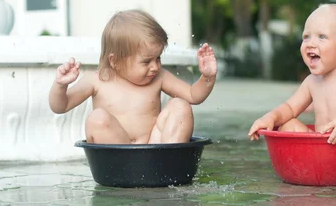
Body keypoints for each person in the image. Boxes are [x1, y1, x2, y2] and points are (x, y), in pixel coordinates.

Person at [49, 9, 217, 145]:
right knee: (97, 118)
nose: (155, 66)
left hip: (154, 150)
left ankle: (169, 162)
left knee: (181, 106)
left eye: (158, 58)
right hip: (119, 158)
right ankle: (126, 171)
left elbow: (193, 96)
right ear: (116, 61)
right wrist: (60, 85)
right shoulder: (96, 81)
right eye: (146, 62)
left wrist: (207, 77)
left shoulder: (159, 77)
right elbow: (60, 107)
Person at [248, 3, 336, 145]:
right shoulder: (311, 82)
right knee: (287, 125)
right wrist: (270, 117)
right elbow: (290, 108)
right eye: (306, 37)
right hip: (320, 149)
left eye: (322, 36)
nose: (310, 44)